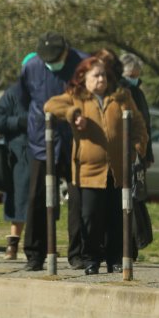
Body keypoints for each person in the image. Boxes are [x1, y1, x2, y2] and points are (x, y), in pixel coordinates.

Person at [45, 57, 148, 275]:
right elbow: (51, 105)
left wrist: (138, 147)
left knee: (116, 215)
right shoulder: (78, 97)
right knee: (90, 217)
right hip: (89, 170)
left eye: (103, 75)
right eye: (95, 75)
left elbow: (138, 122)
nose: (101, 79)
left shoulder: (121, 96)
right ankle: (91, 258)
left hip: (117, 167)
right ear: (84, 78)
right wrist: (73, 114)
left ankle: (115, 258)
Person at [20, 32, 88, 271]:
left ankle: (79, 253)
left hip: (74, 142)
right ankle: (34, 254)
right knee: (37, 199)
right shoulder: (32, 67)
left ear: (66, 52)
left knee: (78, 200)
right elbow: (24, 98)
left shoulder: (83, 64)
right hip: (41, 142)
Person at [0, 80, 31, 260]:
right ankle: (12, 246)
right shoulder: (13, 92)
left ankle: (42, 246)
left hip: (43, 152)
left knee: (44, 202)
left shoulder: (47, 90)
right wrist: (19, 122)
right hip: (18, 156)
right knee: (18, 200)